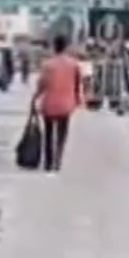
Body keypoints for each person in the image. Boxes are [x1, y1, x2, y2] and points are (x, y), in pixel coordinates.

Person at [32, 35, 82, 173]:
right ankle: (57, 161)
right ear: (66, 47)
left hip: (49, 103)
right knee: (62, 133)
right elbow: (78, 84)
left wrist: (35, 97)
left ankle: (48, 162)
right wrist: (78, 100)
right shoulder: (74, 64)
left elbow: (41, 84)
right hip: (66, 104)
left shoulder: (48, 65)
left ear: (54, 46)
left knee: (48, 133)